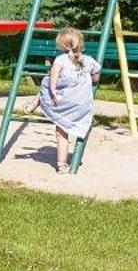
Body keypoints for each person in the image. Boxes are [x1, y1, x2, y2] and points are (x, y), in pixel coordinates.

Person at [36, 27, 101, 172]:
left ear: (62, 45)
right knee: (79, 124)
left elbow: (52, 77)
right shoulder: (90, 61)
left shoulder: (60, 60)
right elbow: (96, 77)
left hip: (65, 102)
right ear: (81, 44)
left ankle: (61, 164)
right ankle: (37, 101)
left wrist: (53, 91)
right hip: (82, 105)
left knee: (61, 131)